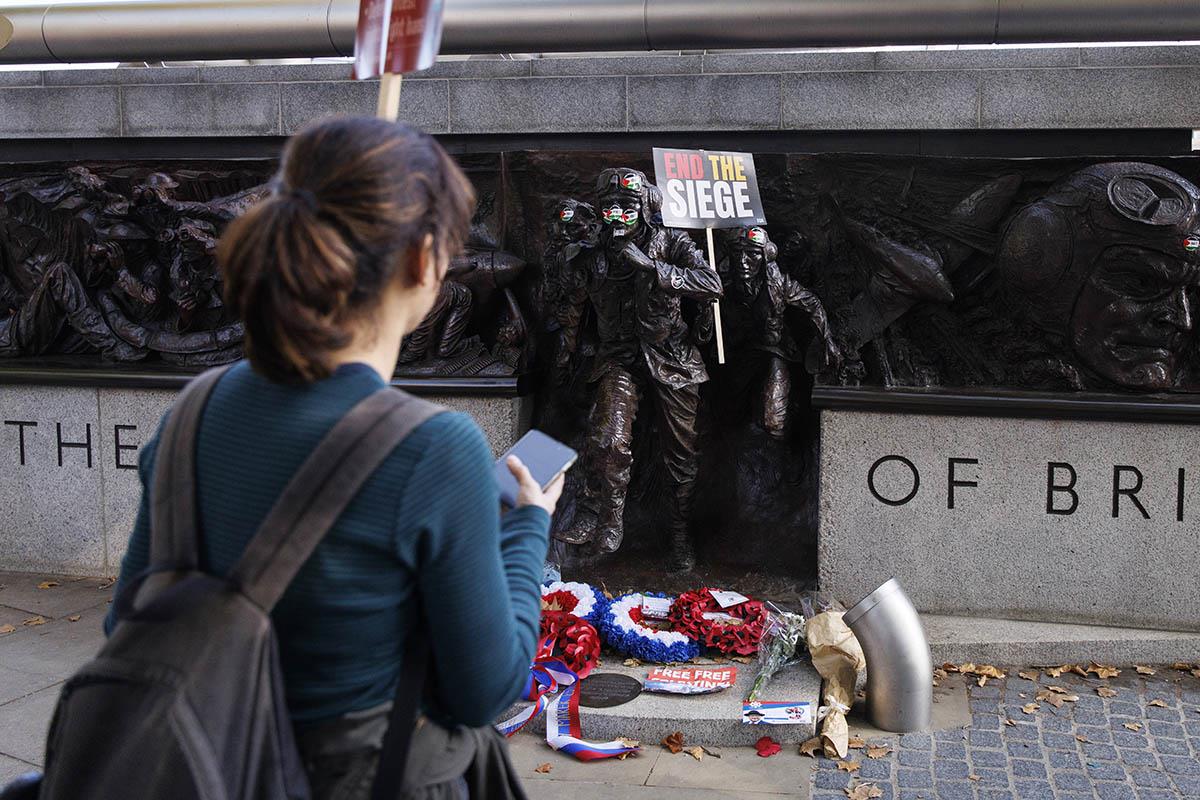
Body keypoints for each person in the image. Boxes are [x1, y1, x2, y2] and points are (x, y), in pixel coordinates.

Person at [104, 116, 561, 799]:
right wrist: (527, 526)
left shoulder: (190, 415)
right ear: (424, 262)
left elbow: (126, 624)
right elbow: (486, 692)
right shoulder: (435, 448)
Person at [554, 167, 722, 571]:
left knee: (680, 459)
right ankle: (604, 517)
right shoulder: (594, 249)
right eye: (609, 207)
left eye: (626, 207)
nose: (617, 215)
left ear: (645, 207)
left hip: (672, 359)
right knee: (608, 439)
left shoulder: (671, 240)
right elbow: (571, 304)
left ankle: (680, 536)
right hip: (619, 358)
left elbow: (712, 283)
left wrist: (651, 267)